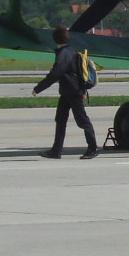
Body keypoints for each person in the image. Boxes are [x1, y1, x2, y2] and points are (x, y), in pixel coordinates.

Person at [33, 25, 99, 159]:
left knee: (82, 120)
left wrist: (38, 88)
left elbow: (55, 73)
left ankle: (93, 148)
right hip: (67, 92)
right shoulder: (70, 50)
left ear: (55, 39)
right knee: (60, 119)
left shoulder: (64, 54)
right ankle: (56, 151)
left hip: (73, 92)